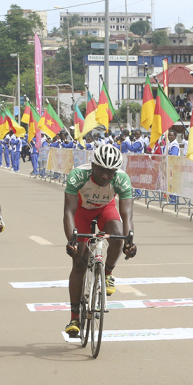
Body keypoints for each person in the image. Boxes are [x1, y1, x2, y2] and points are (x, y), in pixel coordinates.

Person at [62, 144, 138, 337]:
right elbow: (69, 211)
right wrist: (72, 239)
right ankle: (74, 318)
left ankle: (108, 272)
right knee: (79, 261)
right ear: (93, 165)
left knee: (118, 235)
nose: (105, 176)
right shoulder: (78, 176)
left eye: (110, 172)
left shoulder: (121, 179)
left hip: (105, 209)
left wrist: (129, 242)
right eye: (101, 170)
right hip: (81, 212)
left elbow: (127, 215)